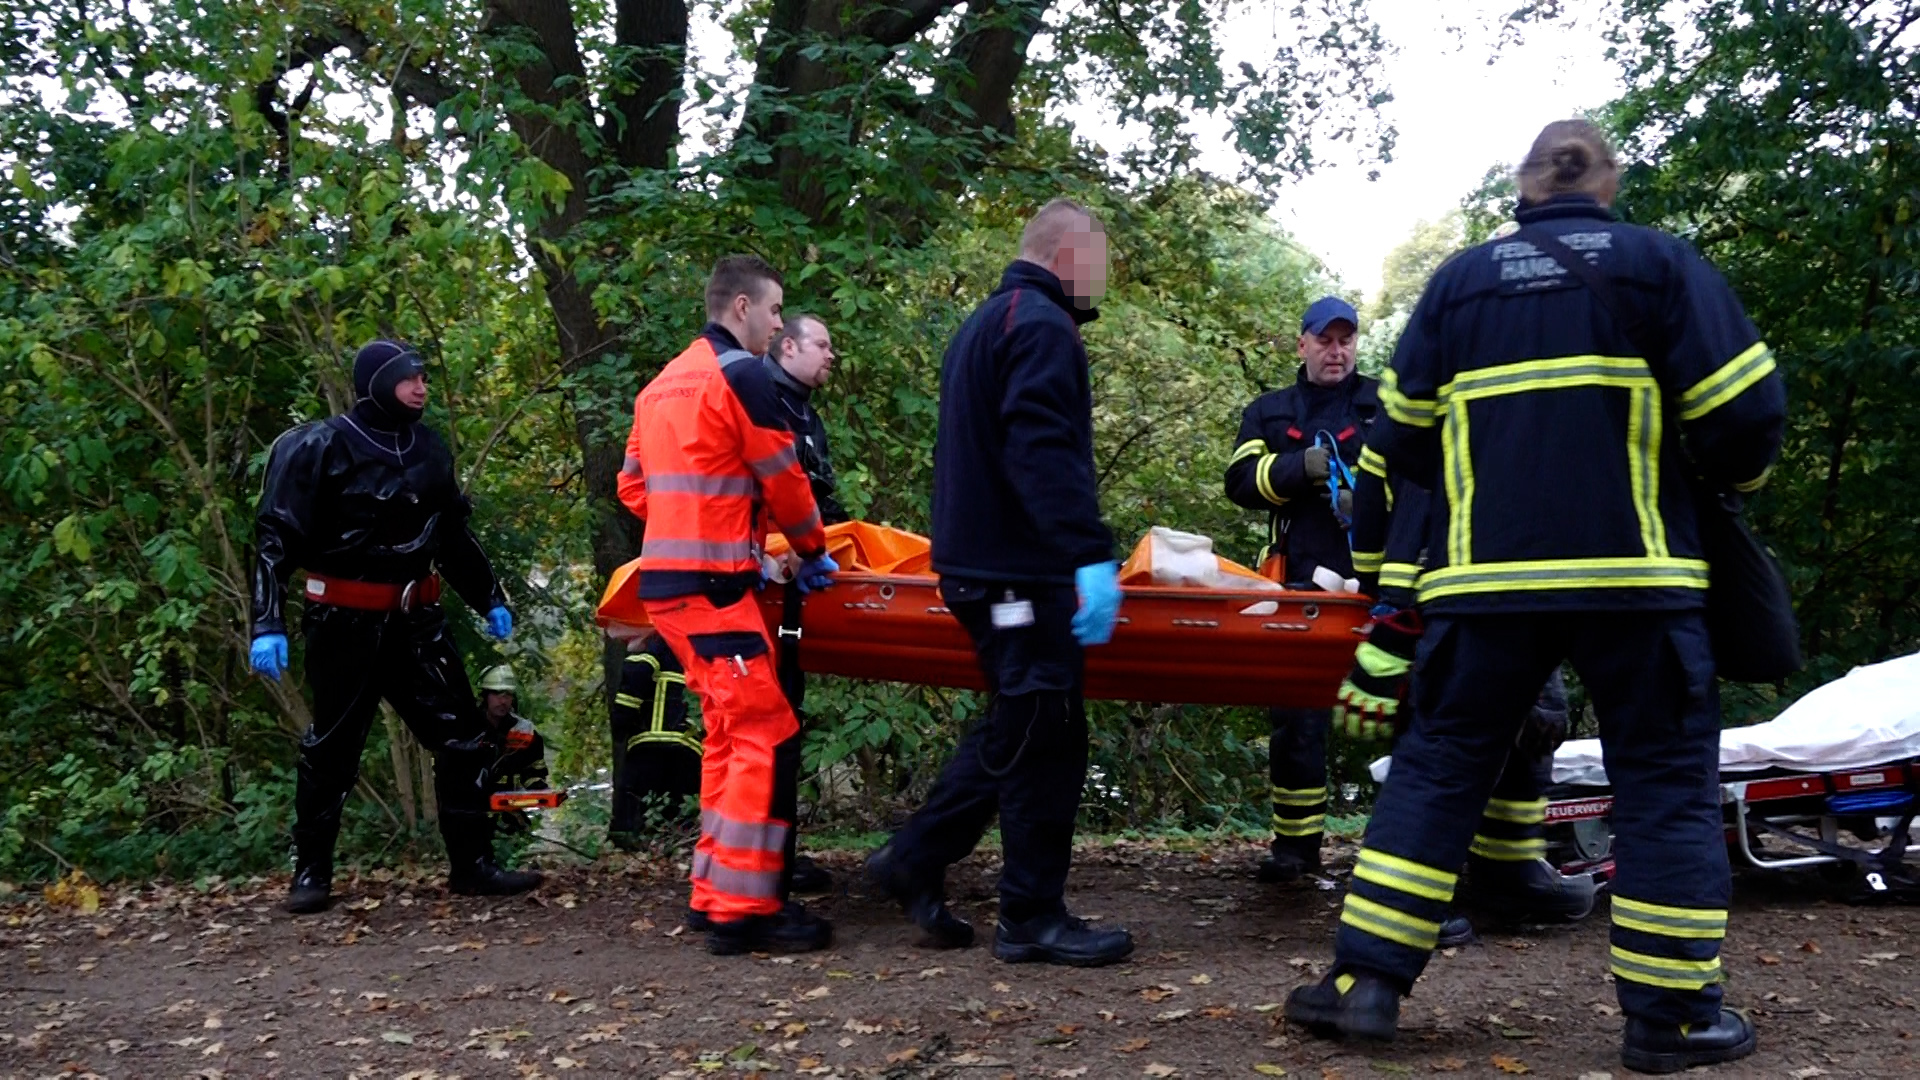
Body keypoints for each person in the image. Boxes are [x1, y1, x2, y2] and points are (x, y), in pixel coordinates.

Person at [1285, 120, 1785, 1075]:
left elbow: (1397, 449)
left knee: (1436, 769)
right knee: (1665, 785)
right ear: (1609, 182)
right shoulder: (1661, 267)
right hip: (1640, 584)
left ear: (1523, 187)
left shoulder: (1461, 284)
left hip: (1485, 585)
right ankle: (1670, 1020)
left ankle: (1366, 987)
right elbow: (1748, 418)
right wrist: (1710, 488)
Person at [864, 198, 1133, 968]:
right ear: (1065, 254)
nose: (1103, 277)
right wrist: (1087, 551)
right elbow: (1040, 448)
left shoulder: (993, 320)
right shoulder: (1038, 325)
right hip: (1017, 572)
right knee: (1044, 734)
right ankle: (1030, 915)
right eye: (1100, 260)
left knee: (1024, 724)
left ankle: (914, 858)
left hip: (991, 567)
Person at [251, 339, 542, 915]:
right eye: (410, 377)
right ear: (379, 383)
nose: (422, 386)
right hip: (342, 622)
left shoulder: (429, 449)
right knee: (333, 747)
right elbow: (273, 540)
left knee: (463, 736)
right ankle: (311, 873)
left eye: (425, 377)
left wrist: (489, 596)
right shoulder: (318, 447)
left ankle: (473, 866)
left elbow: (453, 537)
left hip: (417, 622)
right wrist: (266, 621)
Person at [618, 254, 841, 956]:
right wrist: (805, 547)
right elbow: (785, 476)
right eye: (776, 312)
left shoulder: (661, 385)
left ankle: (712, 894)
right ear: (741, 307)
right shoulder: (739, 375)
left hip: (672, 587)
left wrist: (710, 531)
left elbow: (632, 486)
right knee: (763, 733)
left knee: (724, 732)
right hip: (715, 590)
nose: (780, 327)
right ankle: (742, 913)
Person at [1341, 479, 1597, 945]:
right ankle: (1406, 909)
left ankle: (1507, 874)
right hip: (1460, 589)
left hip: (1501, 582)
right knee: (1440, 753)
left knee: (1533, 731)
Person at [1223, 295, 1376, 883]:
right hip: (1298, 579)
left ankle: (1400, 846)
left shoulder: (1381, 402)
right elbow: (1239, 481)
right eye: (1325, 340)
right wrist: (1300, 469)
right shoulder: (1269, 411)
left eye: (1346, 341)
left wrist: (1363, 495)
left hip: (1377, 577)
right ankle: (1295, 852)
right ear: (1302, 344)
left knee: (1402, 704)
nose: (1336, 352)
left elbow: (1419, 472)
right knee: (1295, 716)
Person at [607, 632, 701, 845]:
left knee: (633, 811)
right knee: (680, 813)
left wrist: (621, 728)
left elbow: (627, 702)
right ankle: (674, 850)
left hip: (650, 748)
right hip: (690, 751)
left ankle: (632, 850)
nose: (623, 640)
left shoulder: (648, 654)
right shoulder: (690, 653)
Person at [476, 664, 551, 833]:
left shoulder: (525, 731)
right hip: (470, 810)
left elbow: (533, 771)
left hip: (507, 808)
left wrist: (540, 791)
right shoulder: (468, 729)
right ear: (485, 696)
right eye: (497, 694)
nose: (503, 701)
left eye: (508, 695)